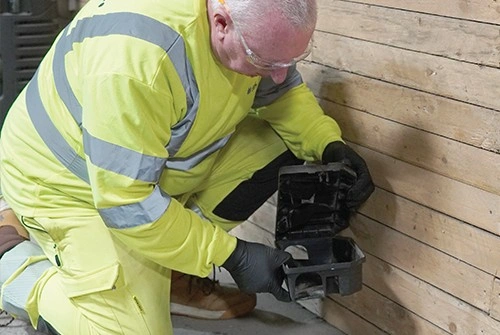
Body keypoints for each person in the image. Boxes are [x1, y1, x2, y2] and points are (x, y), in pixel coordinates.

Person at [0, 0, 374, 333]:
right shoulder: (137, 63)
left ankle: (170, 273)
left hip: (142, 166)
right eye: (265, 62)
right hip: (67, 184)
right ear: (221, 23)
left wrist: (328, 145)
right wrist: (232, 255)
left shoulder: (247, 35)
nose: (279, 74)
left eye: (290, 61)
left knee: (285, 142)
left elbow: (282, 94)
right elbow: (127, 204)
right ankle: (12, 260)